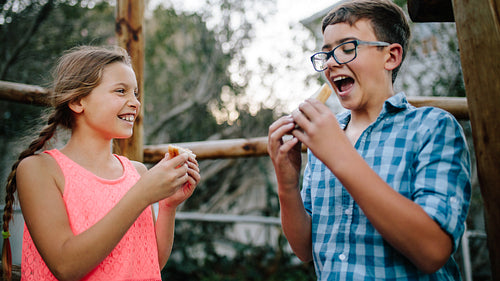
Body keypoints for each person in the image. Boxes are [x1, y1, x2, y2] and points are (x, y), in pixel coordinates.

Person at [267, 0, 471, 280]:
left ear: (391, 57)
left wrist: (339, 155)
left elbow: (432, 251)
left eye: (347, 48)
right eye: (326, 54)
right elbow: (305, 249)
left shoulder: (432, 127)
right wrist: (287, 185)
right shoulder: (324, 137)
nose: (330, 62)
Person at [1, 45, 200, 280]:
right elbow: (65, 266)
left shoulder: (137, 172)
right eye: (120, 91)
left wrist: (168, 207)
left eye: (135, 93)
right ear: (77, 102)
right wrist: (142, 195)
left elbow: (150, 262)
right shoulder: (39, 170)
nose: (135, 102)